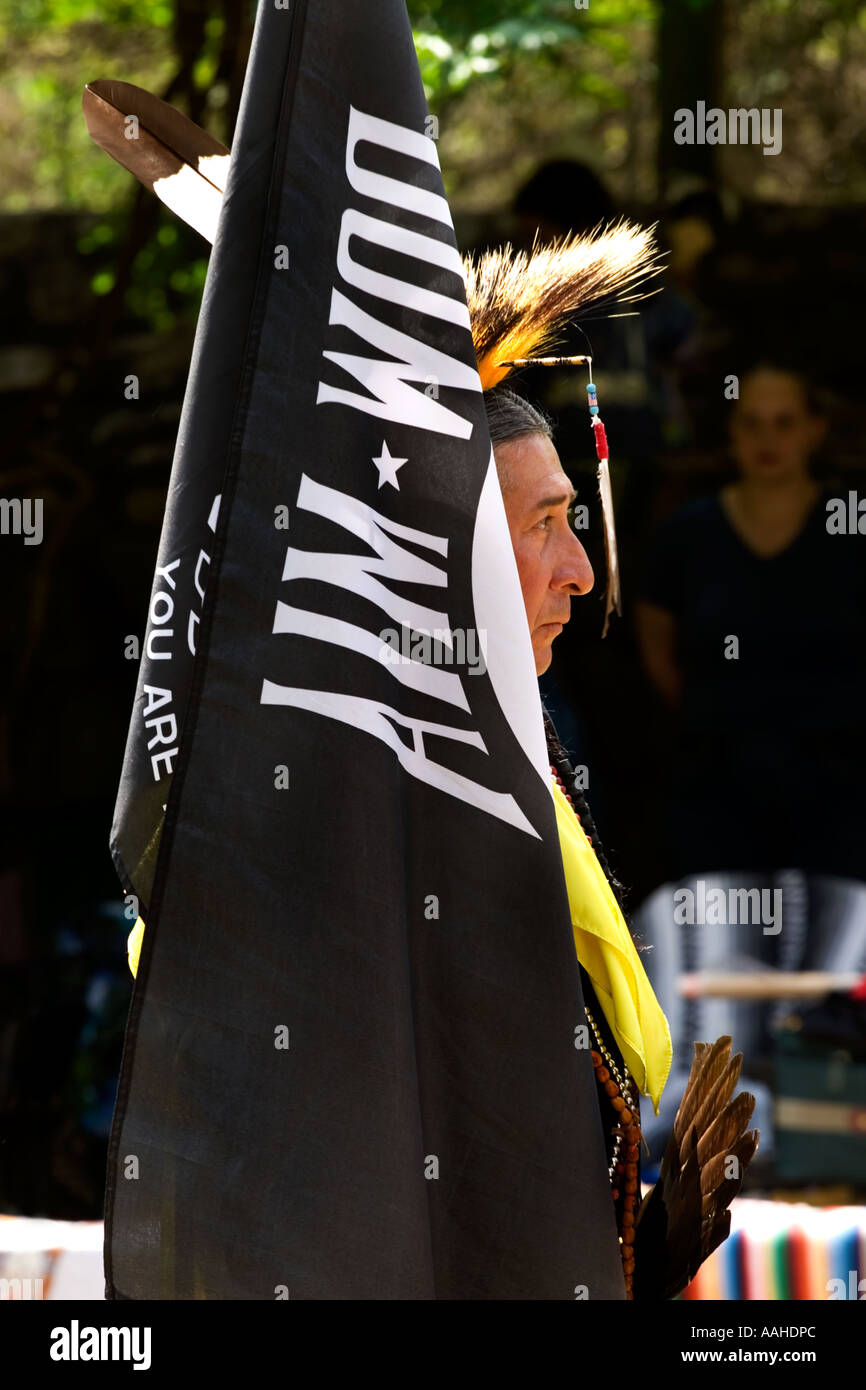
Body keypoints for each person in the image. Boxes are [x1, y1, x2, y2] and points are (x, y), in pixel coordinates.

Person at [635, 362, 866, 884]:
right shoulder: (688, 534)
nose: (768, 440)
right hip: (716, 786)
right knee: (727, 949)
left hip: (840, 791)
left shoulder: (852, 524)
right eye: (752, 423)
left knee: (833, 947)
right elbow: (656, 639)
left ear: (815, 430)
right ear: (732, 431)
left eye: (785, 423)